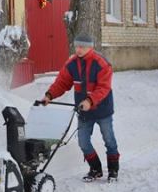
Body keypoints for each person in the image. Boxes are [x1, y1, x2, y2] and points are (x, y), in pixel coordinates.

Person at [40, 34, 120, 182]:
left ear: (90, 47)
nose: (78, 49)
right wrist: (49, 95)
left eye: (82, 46)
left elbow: (104, 88)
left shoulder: (102, 63)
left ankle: (113, 170)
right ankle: (95, 169)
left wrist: (90, 100)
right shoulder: (72, 64)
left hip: (102, 110)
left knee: (109, 140)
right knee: (83, 142)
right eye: (77, 46)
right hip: (84, 111)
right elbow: (62, 83)